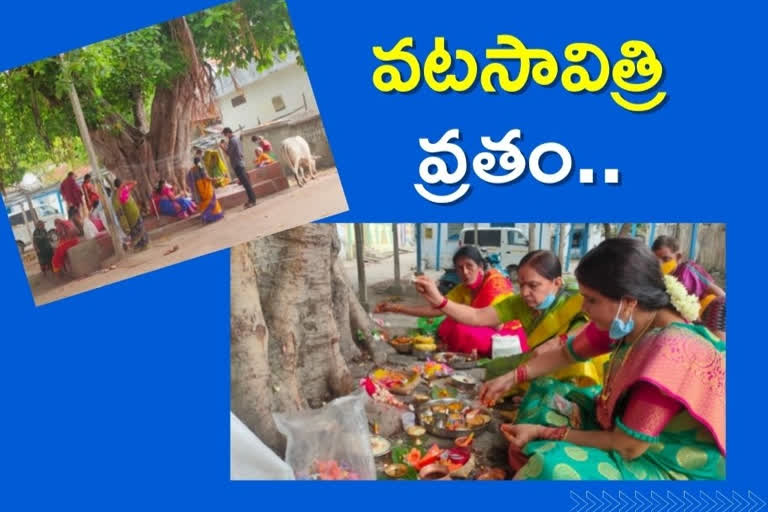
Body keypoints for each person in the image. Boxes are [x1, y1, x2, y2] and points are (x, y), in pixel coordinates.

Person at [471, 239, 724, 481]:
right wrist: (512, 377)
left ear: (628, 301)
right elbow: (565, 354)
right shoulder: (629, 319)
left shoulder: (671, 355)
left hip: (664, 460)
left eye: (591, 300)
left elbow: (628, 447)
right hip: (619, 424)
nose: (583, 308)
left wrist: (544, 433)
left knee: (552, 469)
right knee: (545, 391)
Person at [413, 250, 609, 388]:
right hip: (537, 358)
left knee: (575, 365)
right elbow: (477, 316)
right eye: (521, 284)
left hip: (577, 366)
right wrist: (438, 300)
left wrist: (557, 342)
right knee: (495, 369)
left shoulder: (577, 299)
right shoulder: (519, 303)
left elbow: (591, 329)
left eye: (533, 285)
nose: (524, 292)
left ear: (556, 283)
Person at [375, 246, 518, 357]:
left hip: (506, 336)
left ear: (480, 267)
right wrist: (395, 307)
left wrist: (456, 312)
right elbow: (436, 309)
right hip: (481, 325)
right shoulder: (464, 288)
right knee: (447, 324)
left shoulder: (495, 282)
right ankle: (460, 348)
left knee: (459, 329)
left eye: (469, 266)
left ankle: (467, 351)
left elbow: (497, 325)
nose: (465, 272)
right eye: (460, 268)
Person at [652, 235, 725, 340]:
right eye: (656, 260)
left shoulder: (688, 270)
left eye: (666, 259)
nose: (660, 264)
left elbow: (715, 290)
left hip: (712, 308)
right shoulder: (661, 280)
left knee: (720, 348)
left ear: (678, 257)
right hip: (695, 321)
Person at [221, 127, 256, 208]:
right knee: (245, 183)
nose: (225, 136)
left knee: (246, 183)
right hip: (240, 163)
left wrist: (222, 146)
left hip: (238, 164)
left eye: (225, 134)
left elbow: (228, 153)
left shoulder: (232, 140)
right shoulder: (235, 139)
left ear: (228, 133)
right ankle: (251, 200)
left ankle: (252, 200)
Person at [112, 178, 149, 251]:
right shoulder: (124, 191)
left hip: (130, 216)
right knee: (139, 229)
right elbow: (135, 182)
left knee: (135, 230)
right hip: (134, 213)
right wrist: (126, 182)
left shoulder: (117, 195)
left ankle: (139, 246)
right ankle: (142, 245)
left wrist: (123, 185)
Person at [186, 157, 224, 224]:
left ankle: (205, 219)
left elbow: (188, 181)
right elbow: (206, 177)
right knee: (211, 201)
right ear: (199, 161)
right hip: (206, 187)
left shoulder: (191, 170)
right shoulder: (201, 167)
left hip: (198, 189)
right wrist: (215, 179)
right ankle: (214, 217)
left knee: (203, 204)